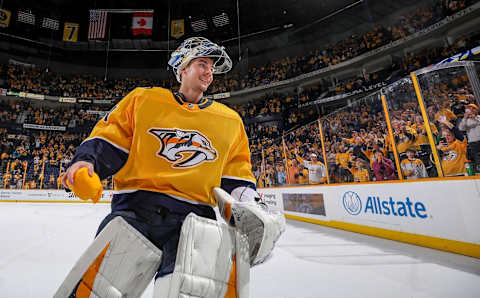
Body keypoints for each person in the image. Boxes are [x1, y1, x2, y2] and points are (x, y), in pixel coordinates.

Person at [57, 37, 283, 298]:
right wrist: (87, 162)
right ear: (183, 68)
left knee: (193, 292)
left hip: (196, 219)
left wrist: (253, 204)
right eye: (202, 64)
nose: (209, 72)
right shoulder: (143, 100)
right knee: (98, 290)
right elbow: (109, 138)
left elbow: (236, 176)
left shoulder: (230, 121)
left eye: (211, 67)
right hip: (135, 211)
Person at [458, 104, 480, 173]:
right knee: (477, 158)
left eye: (473, 109)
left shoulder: (479, 117)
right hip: (473, 142)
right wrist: (465, 118)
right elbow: (461, 128)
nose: (471, 111)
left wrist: (474, 118)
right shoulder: (466, 120)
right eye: (469, 109)